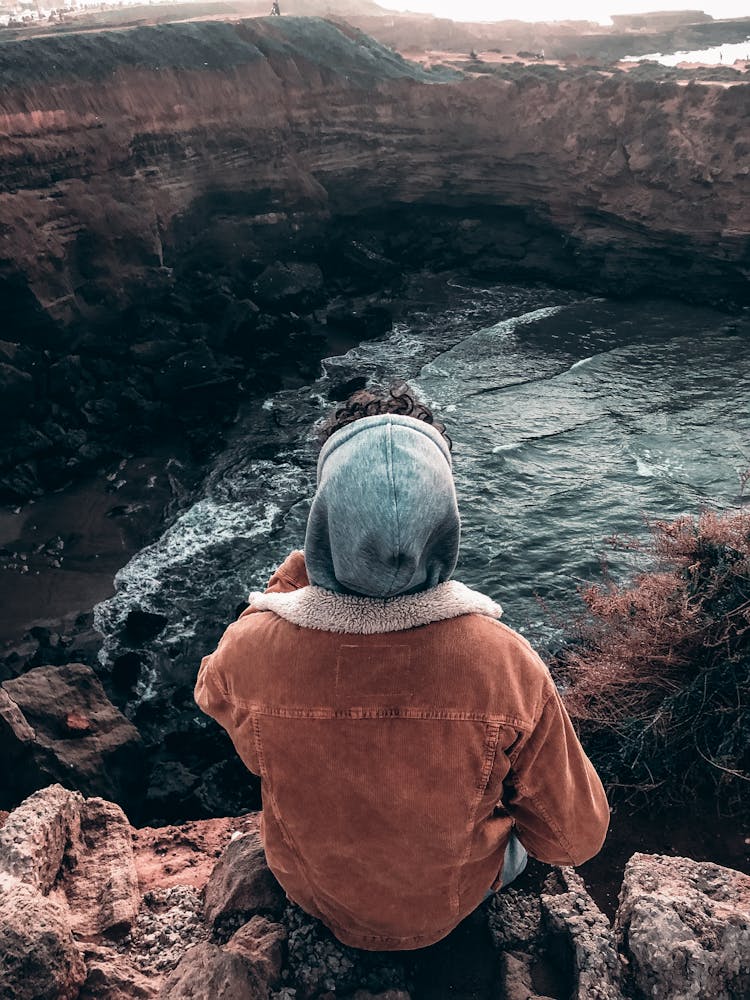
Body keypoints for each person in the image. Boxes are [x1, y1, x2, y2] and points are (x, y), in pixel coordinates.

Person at [195, 382, 609, 951]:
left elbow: (211, 693)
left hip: (313, 894)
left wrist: (287, 588)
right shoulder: (505, 660)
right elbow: (574, 840)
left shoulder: (251, 647)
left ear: (327, 513)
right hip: (452, 905)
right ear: (444, 516)